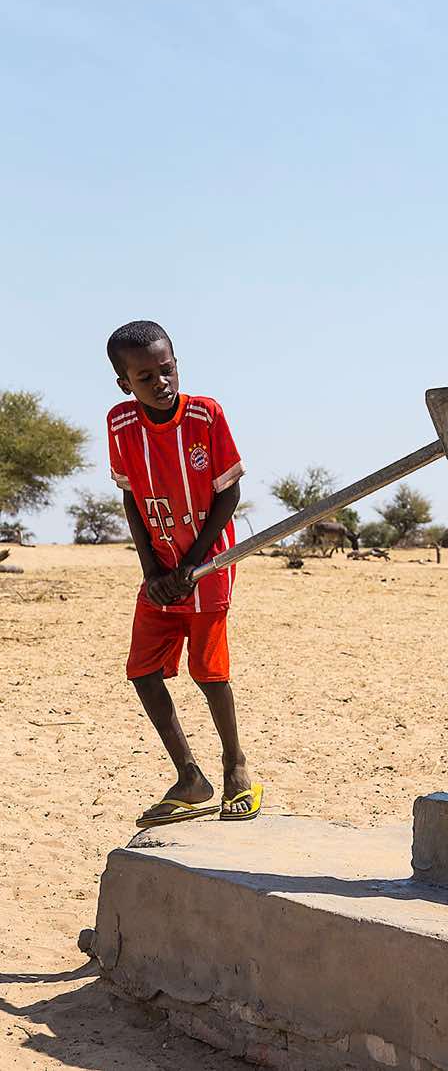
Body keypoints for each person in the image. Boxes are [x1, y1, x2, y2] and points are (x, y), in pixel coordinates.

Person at [106, 319, 262, 827]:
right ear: (125, 383)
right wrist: (151, 568)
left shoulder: (205, 415)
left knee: (210, 671)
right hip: (161, 568)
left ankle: (235, 765)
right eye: (145, 376)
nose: (160, 382)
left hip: (209, 561)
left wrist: (193, 562)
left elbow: (229, 493)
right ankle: (189, 777)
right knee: (142, 670)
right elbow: (131, 495)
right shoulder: (121, 424)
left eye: (167, 369)